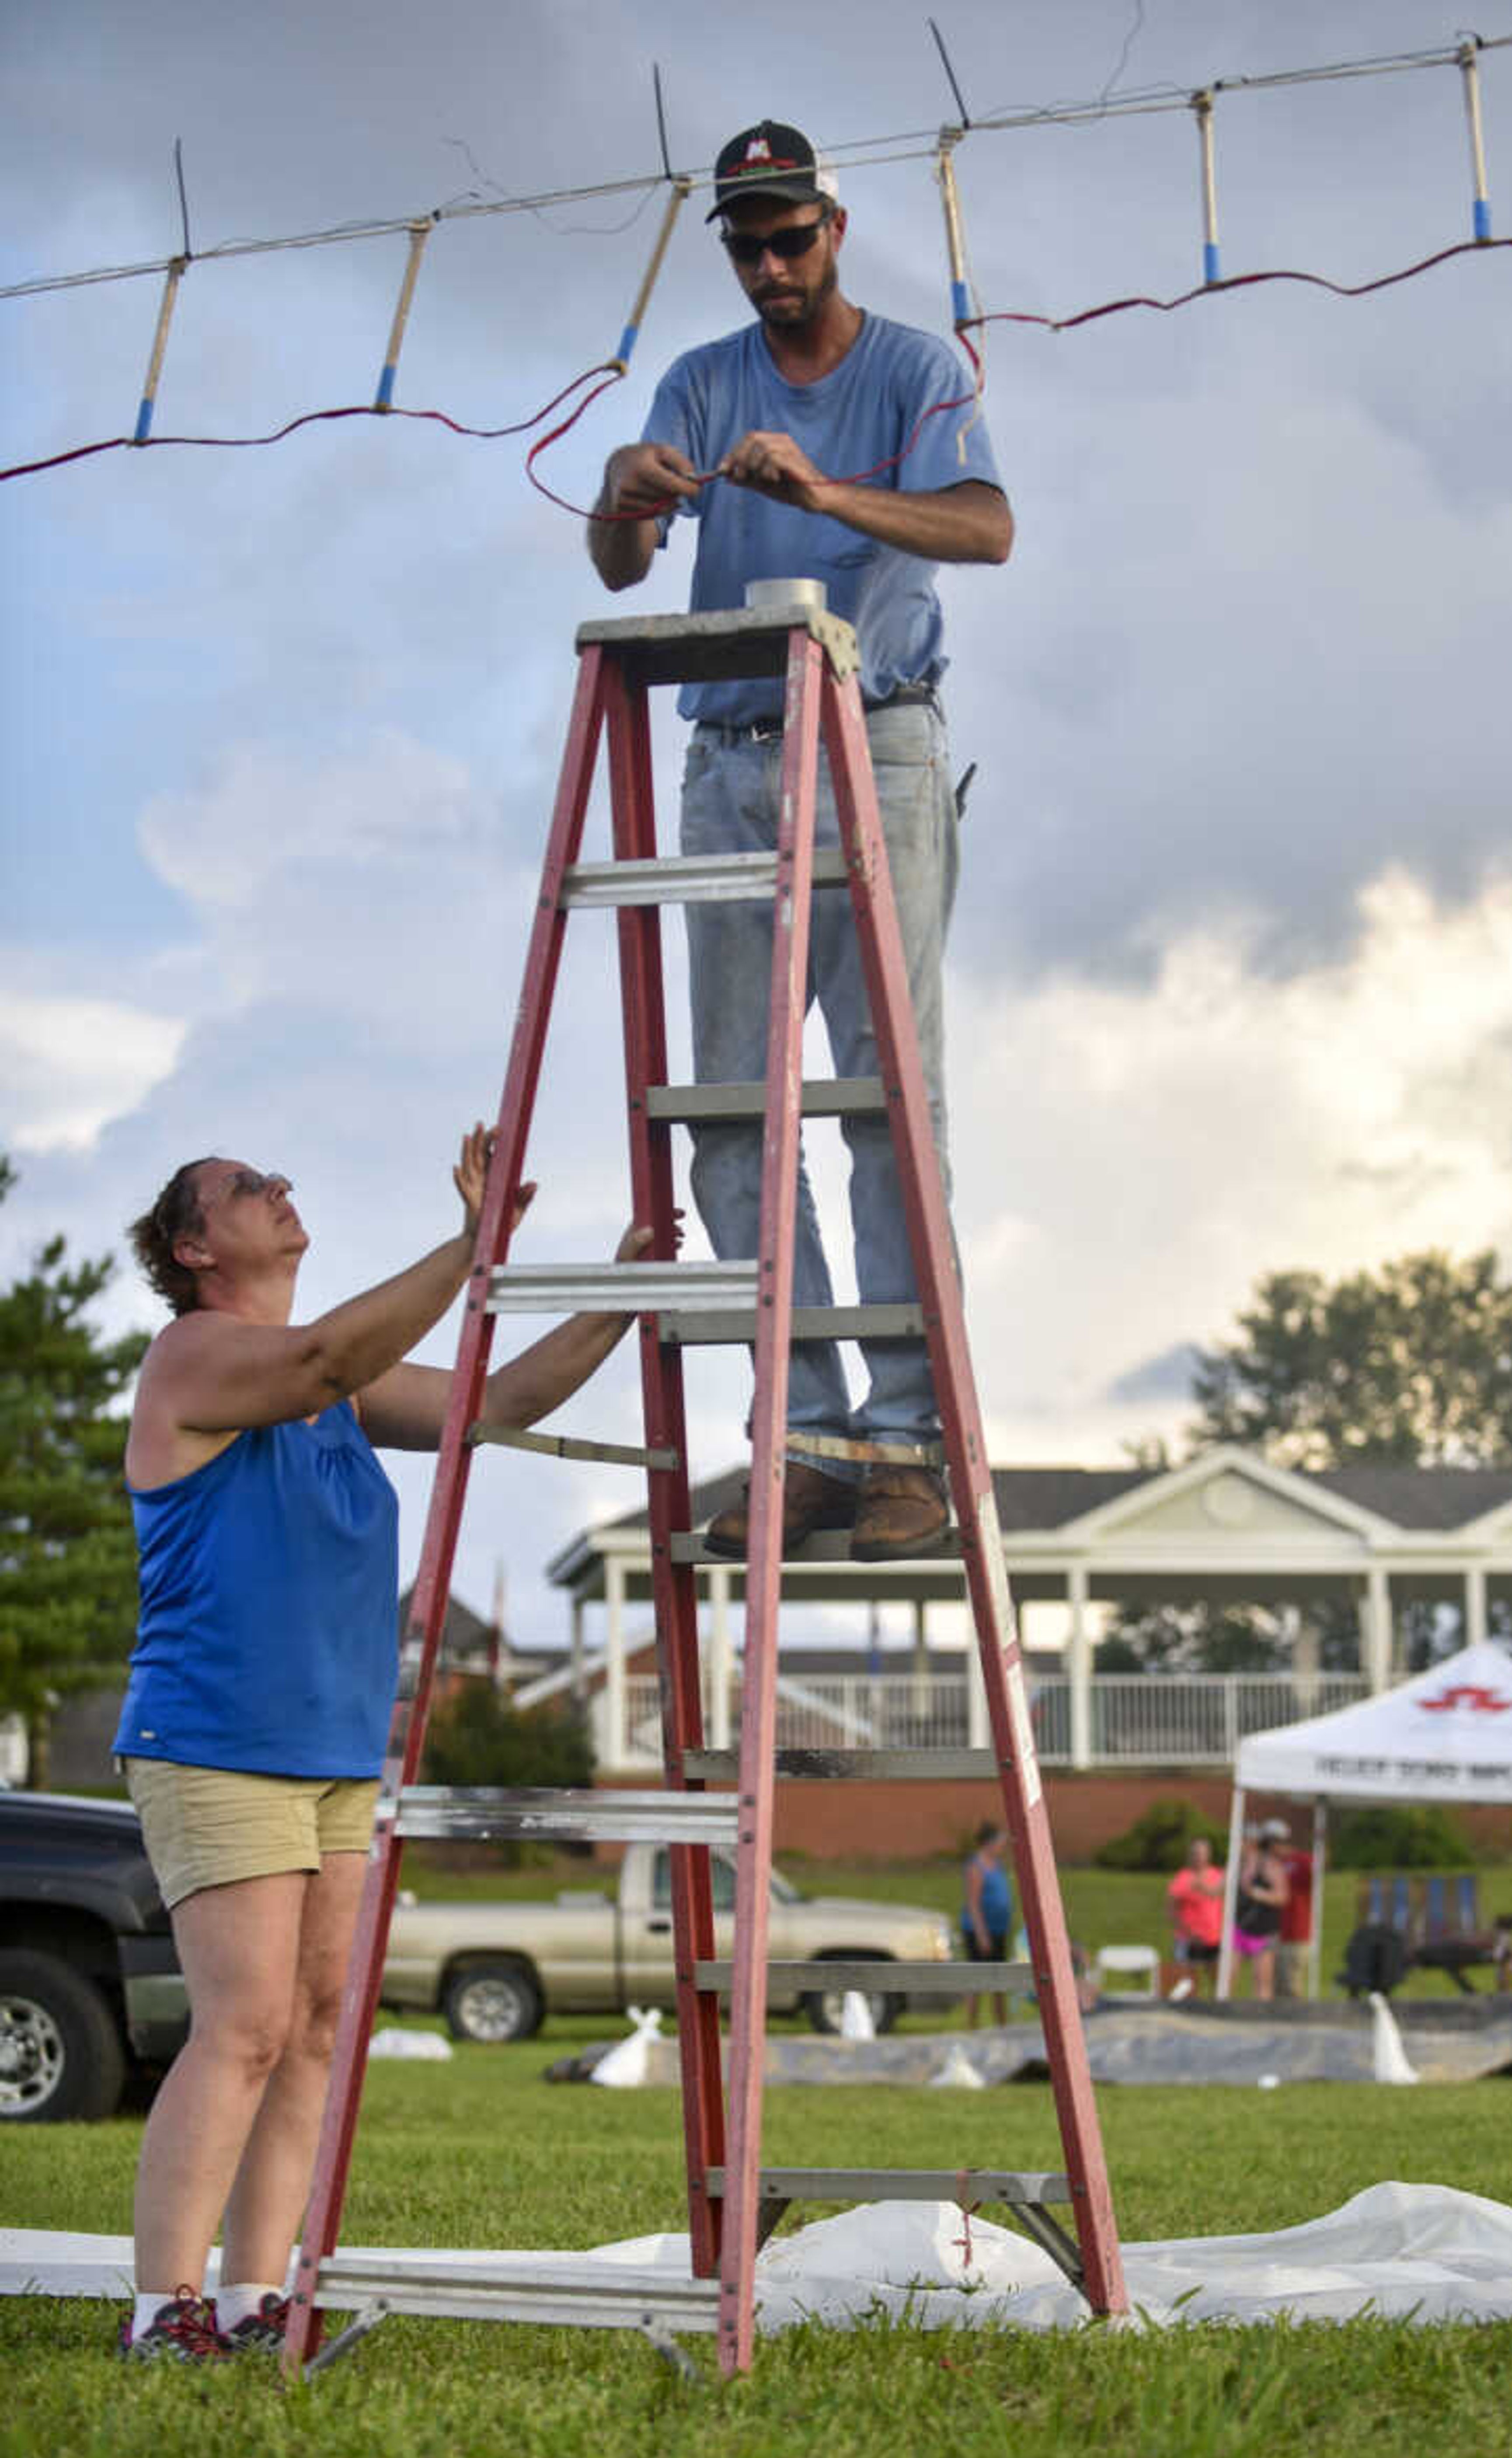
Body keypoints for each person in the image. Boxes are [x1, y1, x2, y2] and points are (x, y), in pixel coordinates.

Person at [111, 1130, 651, 2362]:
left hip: (336, 1752)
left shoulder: (341, 1390)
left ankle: (253, 2299)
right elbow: (311, 1357)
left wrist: (621, 1291)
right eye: (251, 1189)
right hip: (214, 1740)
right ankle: (165, 2309)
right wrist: (471, 1246)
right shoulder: (195, 1356)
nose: (285, 1190)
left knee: (312, 2024)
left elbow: (499, 1403)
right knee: (241, 2025)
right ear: (196, 1249)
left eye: (284, 1178)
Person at [587, 118, 1013, 1565]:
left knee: (888, 1099)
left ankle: (905, 1446)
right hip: (730, 754)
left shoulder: (916, 368)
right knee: (728, 1111)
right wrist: (625, 497)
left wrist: (822, 495)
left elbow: (989, 527)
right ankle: (814, 1436)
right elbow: (622, 562)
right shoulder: (701, 382)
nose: (771, 263)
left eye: (792, 235)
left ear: (834, 228)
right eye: (747, 242)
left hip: (873, 741)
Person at [1230, 1818, 1289, 2000]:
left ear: (1253, 1842)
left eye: (1243, 1840)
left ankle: (1262, 2018)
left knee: (1262, 1981)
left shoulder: (1271, 1866)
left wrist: (1256, 1893)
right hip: (1240, 1927)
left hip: (1263, 1932)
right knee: (1228, 1976)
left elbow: (1283, 1898)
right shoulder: (1237, 1865)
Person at [961, 1822, 1012, 2027]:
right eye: (1000, 1842)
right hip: (980, 1931)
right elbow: (973, 1904)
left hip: (999, 1930)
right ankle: (972, 2025)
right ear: (989, 1843)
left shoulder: (998, 1865)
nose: (1003, 1846)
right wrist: (982, 1935)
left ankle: (1002, 2025)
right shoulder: (976, 1867)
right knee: (977, 1980)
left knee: (1000, 1980)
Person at [1165, 1833, 1225, 1997]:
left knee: (1219, 1981)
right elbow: (1171, 1911)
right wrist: (1189, 1933)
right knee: (1187, 1982)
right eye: (1196, 1853)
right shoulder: (1182, 1878)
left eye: (1203, 1853)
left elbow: (1218, 1895)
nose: (1200, 1857)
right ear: (1190, 1855)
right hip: (1189, 1939)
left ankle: (1216, 2010)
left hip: (1214, 1938)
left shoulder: (1217, 1876)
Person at [1274, 1829, 1316, 1999]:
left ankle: (1294, 2020)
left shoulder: (1303, 1860)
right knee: (1278, 1985)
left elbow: (1316, 1873)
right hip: (1278, 1932)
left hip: (1297, 1932)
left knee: (1292, 1984)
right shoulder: (1276, 1864)